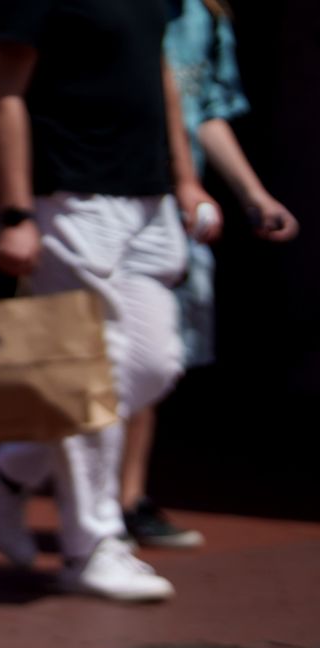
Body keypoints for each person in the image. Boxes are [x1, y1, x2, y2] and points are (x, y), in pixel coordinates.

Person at [0, 0, 214, 602]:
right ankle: (91, 547)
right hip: (70, 197)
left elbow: (159, 74)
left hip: (148, 197)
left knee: (154, 365)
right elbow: (1, 94)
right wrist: (17, 213)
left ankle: (10, 467)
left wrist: (184, 178)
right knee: (87, 376)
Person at [120, 0, 300, 548]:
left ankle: (125, 498)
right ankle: (83, 492)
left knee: (157, 361)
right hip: (125, 200)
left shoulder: (206, 16)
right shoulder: (122, 11)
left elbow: (203, 111)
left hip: (182, 212)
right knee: (128, 357)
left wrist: (252, 193)